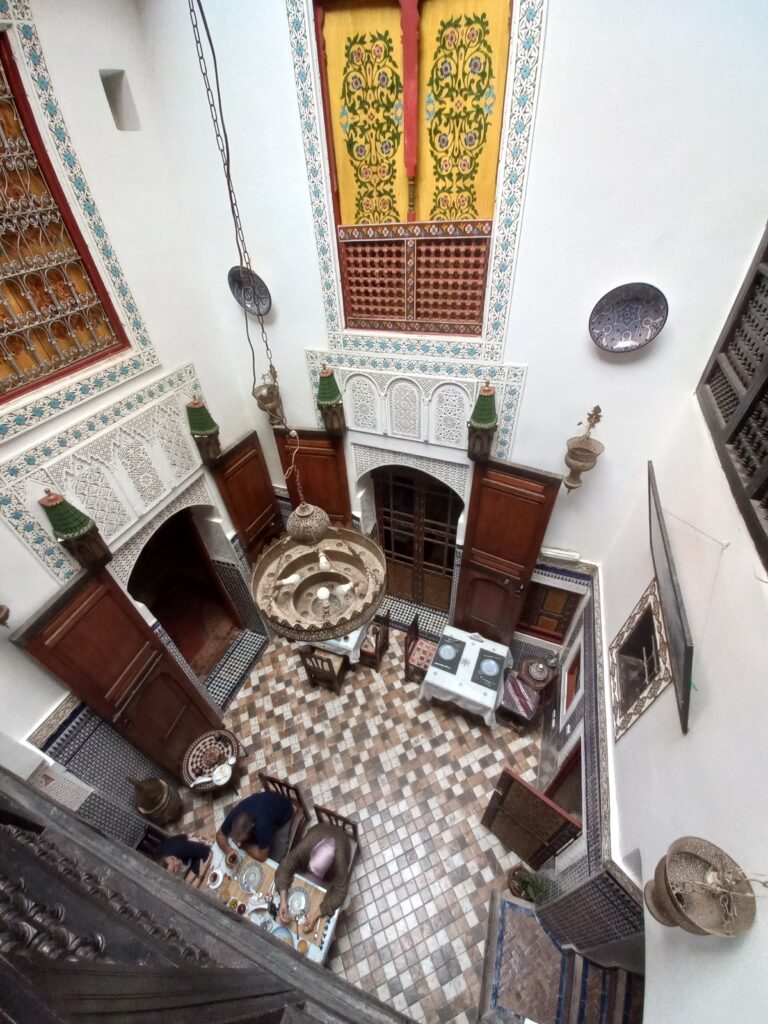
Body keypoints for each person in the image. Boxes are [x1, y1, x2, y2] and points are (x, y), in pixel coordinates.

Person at [275, 823, 350, 934]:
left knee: (344, 901)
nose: (314, 876)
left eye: (317, 873)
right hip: (319, 832)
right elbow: (286, 865)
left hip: (337, 858)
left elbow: (340, 891)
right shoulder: (306, 846)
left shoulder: (340, 859)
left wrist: (315, 916)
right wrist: (283, 900)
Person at [215, 791, 293, 866]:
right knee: (255, 846)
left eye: (241, 839)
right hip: (267, 802)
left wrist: (243, 845)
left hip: (285, 813)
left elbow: (262, 856)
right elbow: (220, 835)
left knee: (274, 858)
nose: (237, 841)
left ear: (252, 827)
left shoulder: (262, 825)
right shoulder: (234, 815)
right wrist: (228, 850)